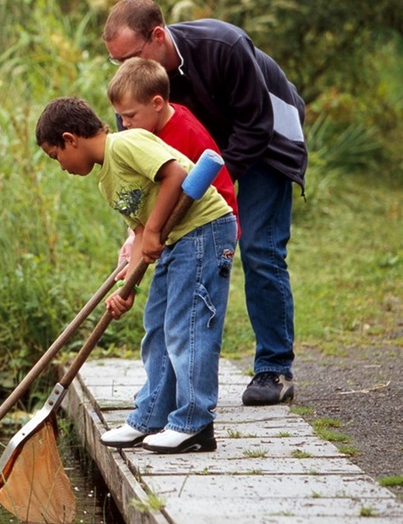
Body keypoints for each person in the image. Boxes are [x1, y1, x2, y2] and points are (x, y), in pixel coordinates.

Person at [103, 0, 308, 406]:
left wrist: (203, 191)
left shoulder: (224, 46)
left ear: (158, 36)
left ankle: (274, 367)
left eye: (128, 56)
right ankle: (175, 378)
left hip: (268, 144)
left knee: (259, 249)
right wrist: (138, 233)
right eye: (114, 61)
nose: (123, 68)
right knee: (185, 252)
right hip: (204, 161)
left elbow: (256, 126)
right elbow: (142, 163)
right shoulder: (136, 86)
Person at [35, 96, 236, 453]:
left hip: (204, 230)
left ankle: (194, 423)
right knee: (157, 325)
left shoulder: (127, 143)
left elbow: (177, 173)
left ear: (70, 139)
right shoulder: (106, 182)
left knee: (187, 325)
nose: (61, 166)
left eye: (56, 156)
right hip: (176, 238)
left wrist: (156, 230)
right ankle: (151, 417)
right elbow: (142, 231)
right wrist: (128, 286)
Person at [106, 57, 239, 271]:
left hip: (209, 226)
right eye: (120, 117)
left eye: (130, 116)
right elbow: (149, 195)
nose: (125, 124)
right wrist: (134, 237)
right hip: (177, 227)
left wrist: (149, 232)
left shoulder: (184, 134)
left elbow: (184, 186)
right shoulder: (149, 131)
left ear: (157, 104)